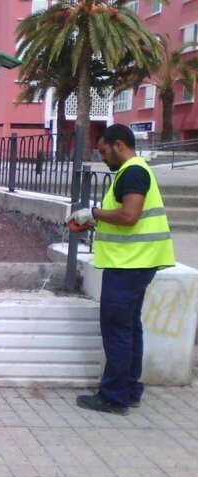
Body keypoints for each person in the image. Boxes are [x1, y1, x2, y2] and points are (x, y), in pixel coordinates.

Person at [68, 124, 175, 415]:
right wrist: (95, 219)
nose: (102, 157)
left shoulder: (133, 172)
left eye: (103, 151)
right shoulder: (133, 172)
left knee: (116, 329)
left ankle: (114, 396)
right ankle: (128, 390)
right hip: (137, 262)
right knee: (129, 327)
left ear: (118, 145)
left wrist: (94, 213)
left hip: (130, 264)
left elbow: (129, 216)